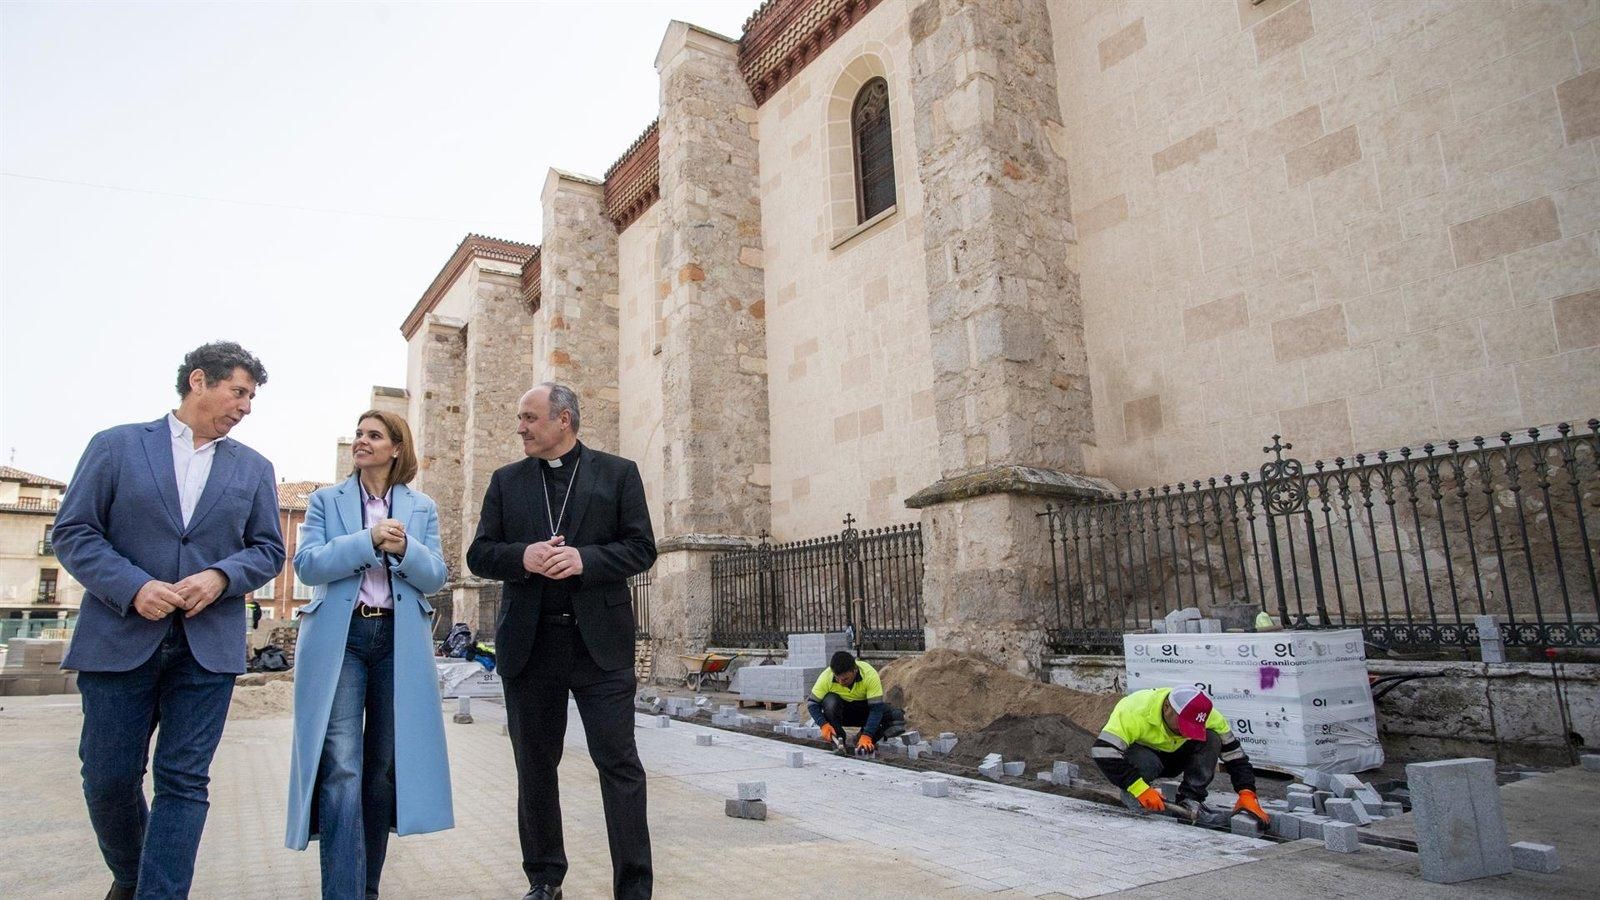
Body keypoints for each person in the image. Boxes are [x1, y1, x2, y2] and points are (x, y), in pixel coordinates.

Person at [52, 341, 285, 900]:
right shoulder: (115, 446)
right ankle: (135, 881)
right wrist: (134, 587)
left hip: (208, 649)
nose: (246, 407)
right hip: (119, 638)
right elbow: (74, 531)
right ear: (199, 381)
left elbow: (268, 549)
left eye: (252, 398)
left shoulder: (254, 468)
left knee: (184, 781)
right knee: (107, 777)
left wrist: (221, 577)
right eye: (239, 392)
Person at [467, 383, 657, 900]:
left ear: (564, 420)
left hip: (600, 646)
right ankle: (545, 878)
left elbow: (642, 548)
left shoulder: (618, 474)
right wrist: (522, 557)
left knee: (619, 765)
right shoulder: (506, 482)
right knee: (534, 765)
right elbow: (479, 554)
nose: (520, 427)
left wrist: (586, 560)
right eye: (520, 418)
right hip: (531, 649)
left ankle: (634, 887)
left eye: (529, 417)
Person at [285, 410, 452, 899]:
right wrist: (368, 541)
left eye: (373, 435)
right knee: (342, 767)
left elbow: (436, 576)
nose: (361, 441)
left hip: (398, 643)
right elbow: (309, 567)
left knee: (380, 772)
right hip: (343, 640)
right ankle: (343, 892)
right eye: (358, 433)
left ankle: (368, 887)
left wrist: (404, 552)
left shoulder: (421, 507)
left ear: (396, 448)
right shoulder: (324, 501)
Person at [1090, 686, 1269, 825]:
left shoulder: (1208, 716)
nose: (1186, 732)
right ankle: (1135, 797)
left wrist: (1247, 792)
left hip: (1175, 759)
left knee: (1212, 738)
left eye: (1192, 727)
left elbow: (1235, 756)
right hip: (1144, 760)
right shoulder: (1134, 709)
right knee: (1146, 761)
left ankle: (1190, 803)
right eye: (1183, 725)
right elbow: (1103, 751)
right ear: (1167, 707)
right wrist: (1139, 788)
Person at [807, 650, 904, 754]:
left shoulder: (869, 674)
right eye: (837, 678)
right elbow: (812, 704)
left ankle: (862, 741)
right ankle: (839, 741)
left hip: (863, 712)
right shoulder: (826, 677)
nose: (840, 682)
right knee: (830, 702)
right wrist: (823, 725)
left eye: (845, 679)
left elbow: (876, 709)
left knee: (895, 717)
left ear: (854, 670)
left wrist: (867, 734)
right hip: (840, 713)